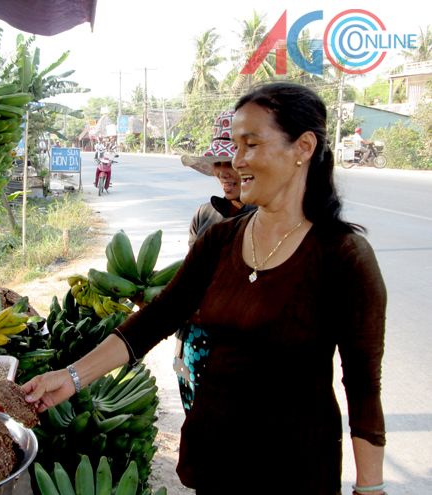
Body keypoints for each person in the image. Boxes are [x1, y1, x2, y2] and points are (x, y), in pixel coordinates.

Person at [22, 82, 387, 495]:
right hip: (214, 458)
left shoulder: (343, 256)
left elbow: (362, 387)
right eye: (235, 145)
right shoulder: (221, 240)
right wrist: (70, 378)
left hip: (294, 468)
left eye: (251, 144)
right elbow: (157, 319)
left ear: (303, 147)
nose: (237, 160)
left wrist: (370, 488)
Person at [175, 109, 256, 414]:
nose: (224, 172)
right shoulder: (204, 215)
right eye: (218, 164)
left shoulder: (263, 221)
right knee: (196, 424)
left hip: (238, 353)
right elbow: (190, 277)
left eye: (230, 163)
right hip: (193, 344)